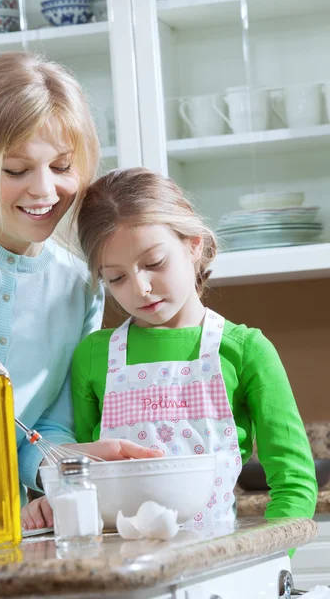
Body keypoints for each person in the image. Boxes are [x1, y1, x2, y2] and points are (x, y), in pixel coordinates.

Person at [0, 54, 162, 528]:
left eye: (61, 166)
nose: (45, 191)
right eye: (16, 169)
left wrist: (62, 460)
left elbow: (43, 428)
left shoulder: (79, 287)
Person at [70, 167, 317, 529]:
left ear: (193, 244)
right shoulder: (93, 355)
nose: (140, 289)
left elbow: (294, 481)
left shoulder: (246, 350)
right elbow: (79, 481)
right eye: (116, 277)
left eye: (154, 263)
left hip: (216, 568)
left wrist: (271, 568)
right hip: (123, 575)